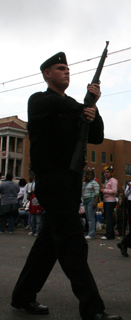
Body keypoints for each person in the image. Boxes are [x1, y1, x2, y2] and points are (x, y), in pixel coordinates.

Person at [11, 52, 121, 320]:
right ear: (47, 73)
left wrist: (94, 107)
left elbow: (96, 136)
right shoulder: (40, 100)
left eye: (68, 68)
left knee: (48, 245)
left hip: (70, 181)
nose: (66, 72)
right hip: (52, 179)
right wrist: (84, 104)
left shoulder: (73, 105)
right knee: (73, 242)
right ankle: (92, 309)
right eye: (60, 68)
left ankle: (23, 296)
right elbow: (58, 107)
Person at [100, 166, 118, 240]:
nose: (106, 174)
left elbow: (114, 191)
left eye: (108, 172)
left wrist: (104, 191)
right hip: (106, 200)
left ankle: (109, 234)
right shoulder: (107, 181)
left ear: (111, 173)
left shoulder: (113, 180)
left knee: (108, 218)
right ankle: (111, 234)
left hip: (110, 201)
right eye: (105, 172)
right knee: (108, 217)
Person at [82, 169, 100, 240]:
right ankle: (91, 233)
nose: (89, 176)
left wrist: (95, 201)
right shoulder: (84, 183)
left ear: (93, 176)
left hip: (91, 200)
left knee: (91, 218)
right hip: (85, 201)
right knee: (88, 217)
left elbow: (97, 193)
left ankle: (91, 234)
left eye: (90, 175)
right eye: (88, 175)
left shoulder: (94, 183)